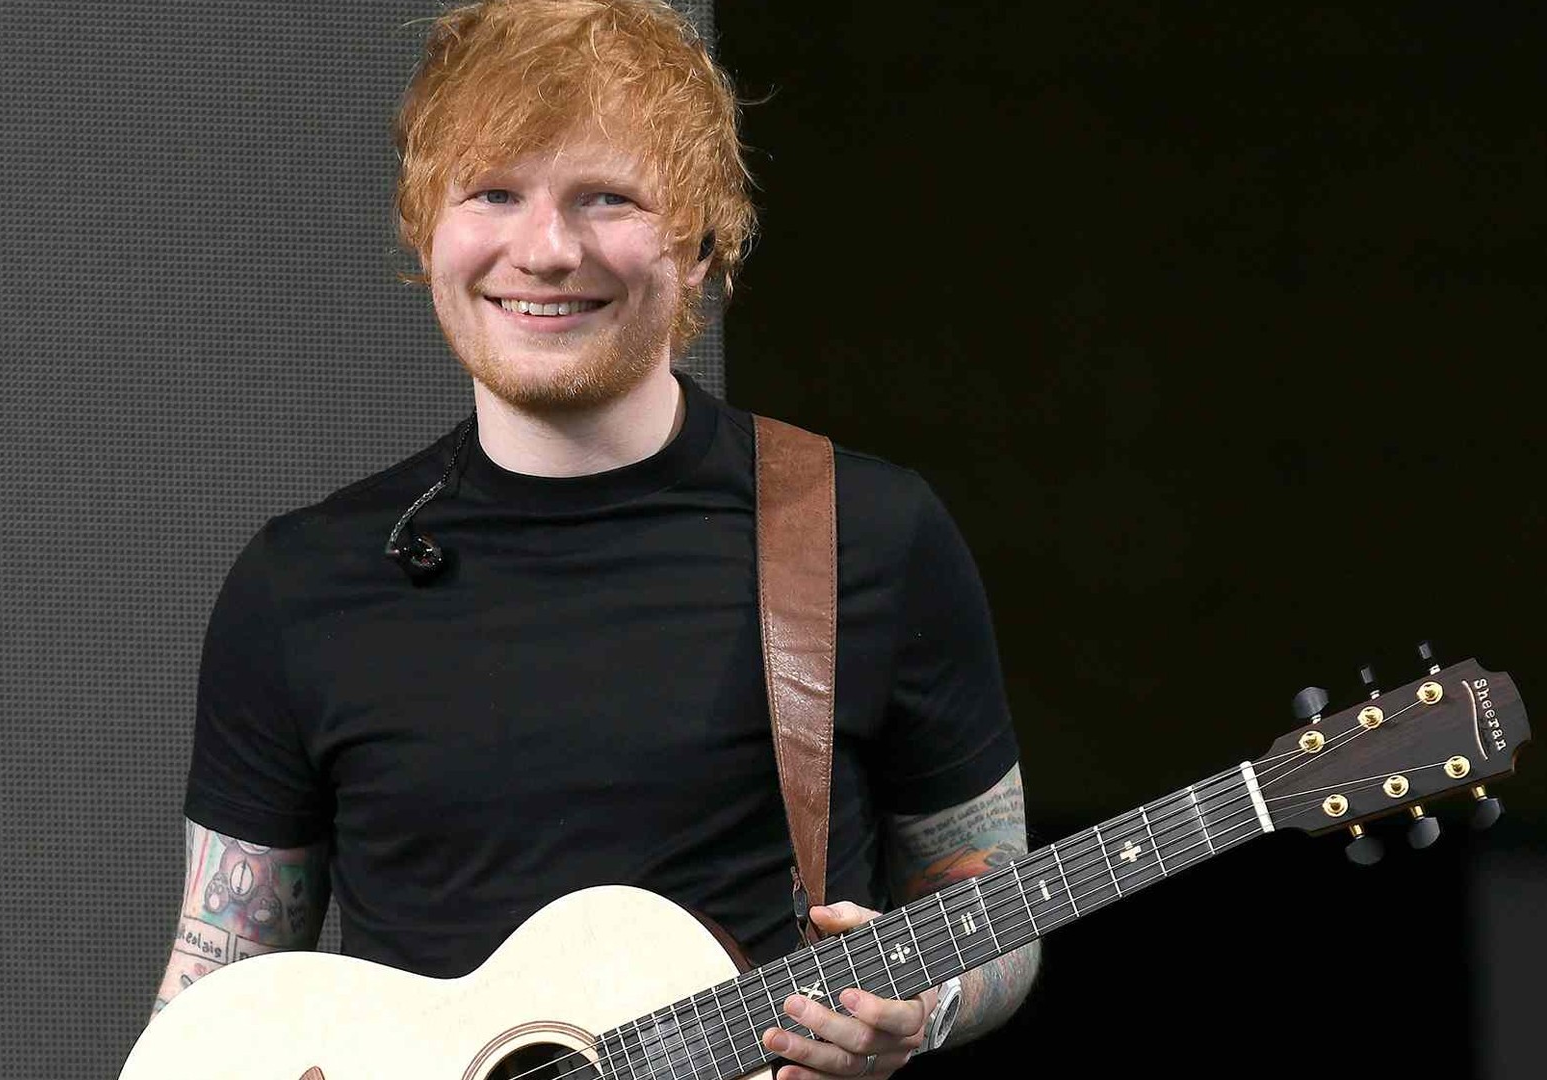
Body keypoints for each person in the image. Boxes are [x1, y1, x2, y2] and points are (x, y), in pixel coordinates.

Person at [152, 1, 1038, 1075]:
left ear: (702, 242)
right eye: (493, 192)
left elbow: (993, 900)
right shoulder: (299, 584)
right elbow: (213, 1000)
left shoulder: (868, 535)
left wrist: (925, 1006)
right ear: (427, 229)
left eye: (606, 197)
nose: (546, 250)